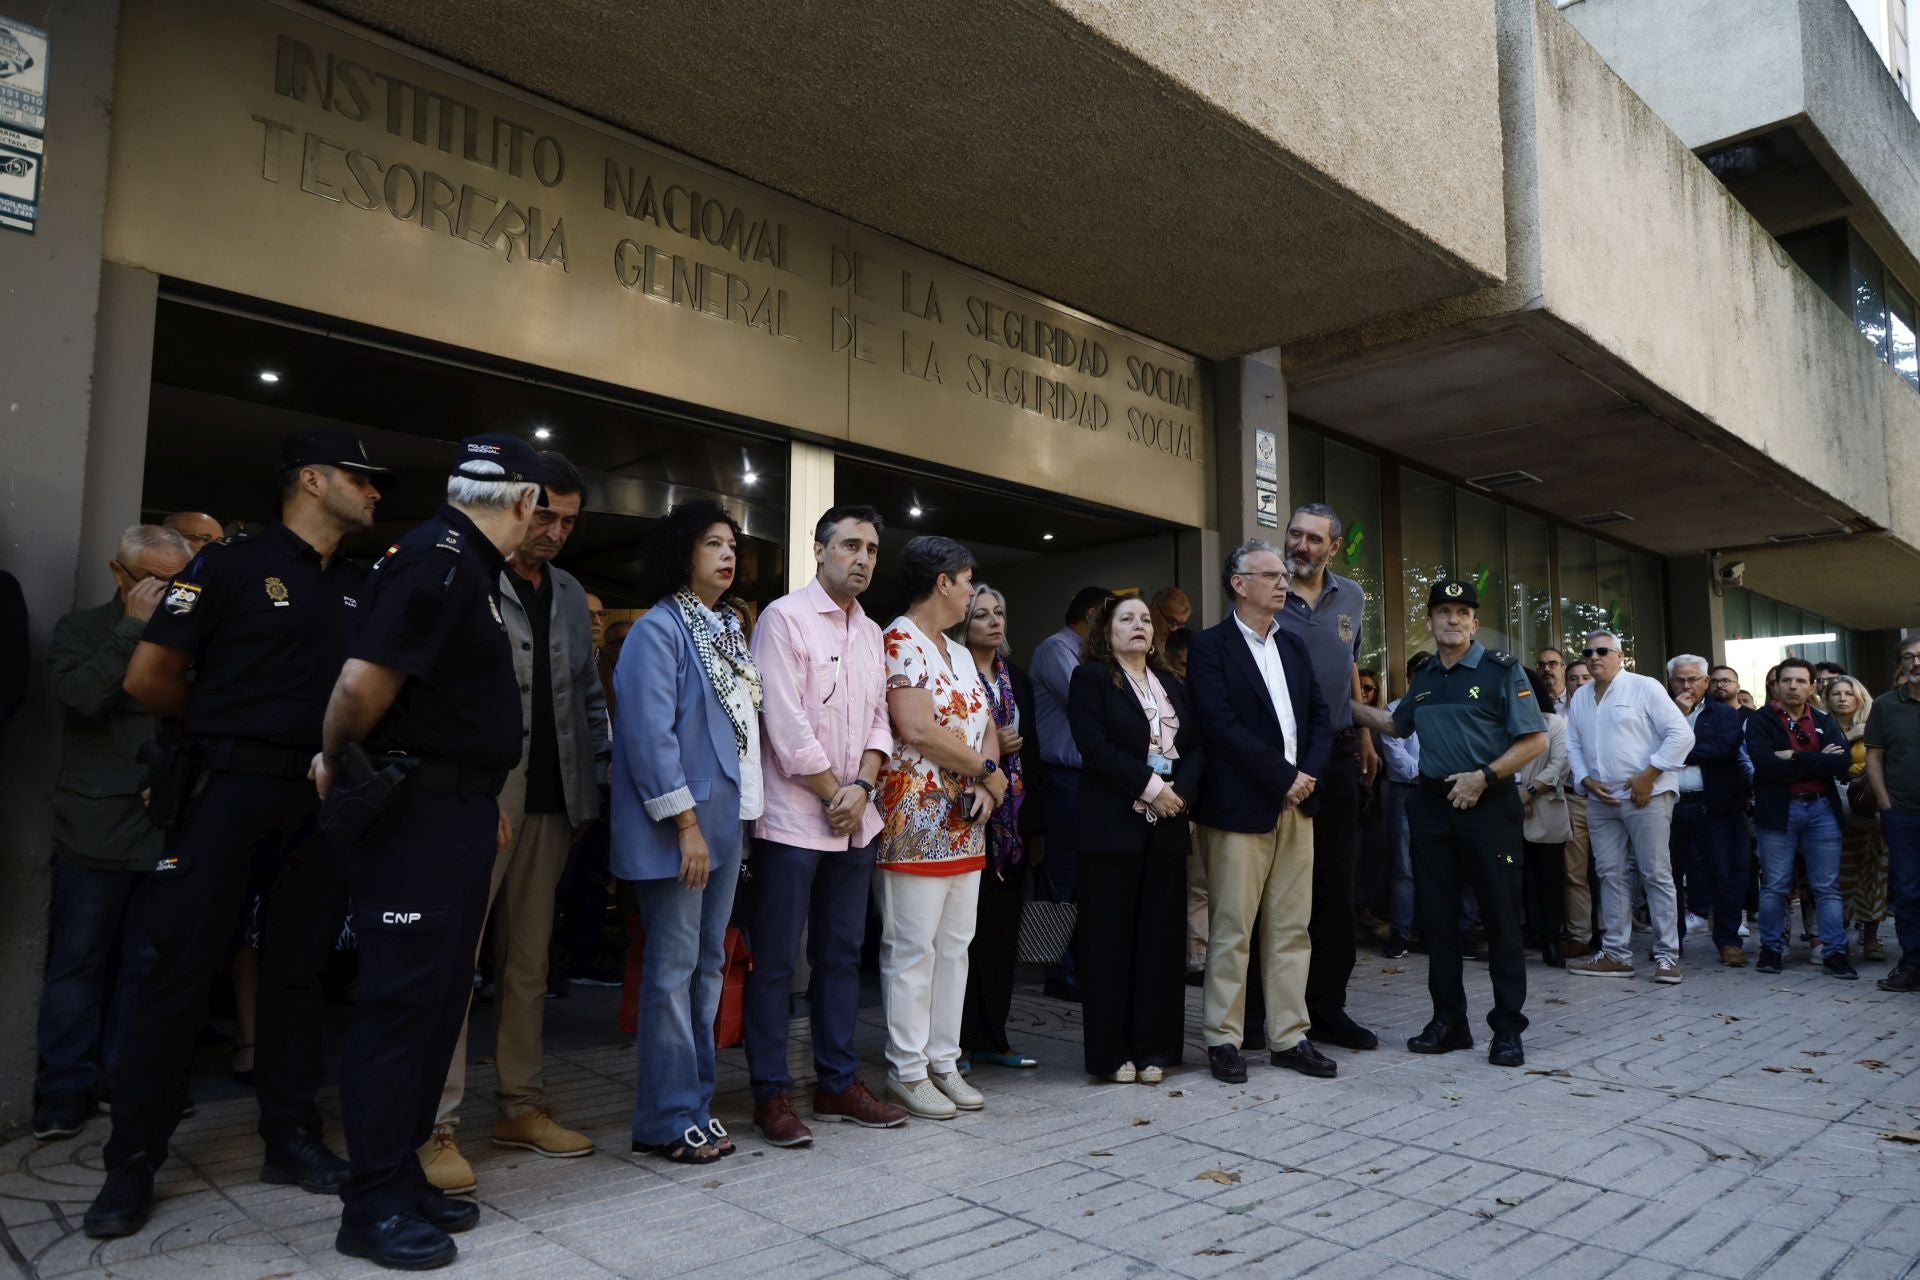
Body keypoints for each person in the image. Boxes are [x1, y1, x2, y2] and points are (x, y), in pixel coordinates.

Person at [84, 433, 390, 1242]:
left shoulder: (364, 587)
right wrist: (227, 731)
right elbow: (148, 680)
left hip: (318, 796)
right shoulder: (226, 565)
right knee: (175, 972)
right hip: (224, 791)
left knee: (298, 974)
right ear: (314, 481)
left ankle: (290, 1141)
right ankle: (131, 1163)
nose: (376, 493)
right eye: (362, 479)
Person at [313, 435, 541, 1267]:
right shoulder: (440, 561)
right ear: (520, 503)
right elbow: (358, 689)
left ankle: (401, 1177)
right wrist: (337, 761)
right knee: (402, 1008)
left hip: (457, 811)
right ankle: (369, 1206)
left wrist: (478, 802)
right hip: (415, 816)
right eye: (540, 510)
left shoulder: (467, 566)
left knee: (440, 1003)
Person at [418, 452, 608, 1194]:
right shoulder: (464, 570)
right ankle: (435, 1123)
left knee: (528, 967)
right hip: (478, 801)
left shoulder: (566, 591)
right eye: (547, 514)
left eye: (569, 522)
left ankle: (520, 1106)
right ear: (520, 502)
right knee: (453, 967)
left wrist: (592, 787)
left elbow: (589, 698)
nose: (555, 531)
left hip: (555, 804)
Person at [744, 505, 908, 1148]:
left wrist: (862, 787)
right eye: (849, 546)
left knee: (841, 956)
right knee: (778, 962)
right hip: (792, 818)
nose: (862, 558)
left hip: (853, 820)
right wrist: (833, 790)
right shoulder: (783, 620)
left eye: (871, 548)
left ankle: (838, 1083)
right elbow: (783, 725)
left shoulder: (871, 632)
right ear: (819, 551)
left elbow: (878, 720)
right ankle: (771, 1094)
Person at [612, 500, 762, 1165]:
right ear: (681, 552)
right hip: (684, 828)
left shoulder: (725, 629)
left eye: (732, 544)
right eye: (711, 543)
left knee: (707, 967)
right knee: (673, 972)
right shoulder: (658, 629)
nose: (727, 555)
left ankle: (694, 1106)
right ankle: (666, 1118)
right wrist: (687, 826)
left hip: (727, 825)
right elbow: (649, 736)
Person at [32, 525, 191, 1141]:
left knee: (147, 965)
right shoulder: (83, 629)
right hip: (94, 828)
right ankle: (64, 1090)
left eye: (179, 582)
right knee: (78, 961)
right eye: (154, 580)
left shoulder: (194, 634)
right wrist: (131, 628)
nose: (167, 593)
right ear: (119, 573)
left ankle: (128, 1083)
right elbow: (78, 696)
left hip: (164, 827)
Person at [1351, 579, 1545, 1067]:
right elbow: (1397, 725)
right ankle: (1449, 1023)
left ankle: (1507, 1029)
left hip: (1488, 803)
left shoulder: (1503, 671)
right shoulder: (1429, 678)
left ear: (1474, 623)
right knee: (1436, 922)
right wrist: (1340, 702)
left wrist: (1483, 776)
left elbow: (1534, 741)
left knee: (1500, 918)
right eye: (1443, 611)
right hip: (1434, 806)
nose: (1452, 619)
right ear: (1431, 621)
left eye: (1462, 611)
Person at [1187, 539, 1333, 1084]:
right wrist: (1283, 776)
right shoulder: (1209, 647)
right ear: (1238, 584)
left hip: (1299, 804)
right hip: (1241, 806)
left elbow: (1319, 716)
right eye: (1270, 574)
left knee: (1293, 928)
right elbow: (1221, 727)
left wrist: (1307, 777)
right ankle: (1223, 1038)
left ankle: (1290, 1037)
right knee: (1232, 928)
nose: (1283, 583)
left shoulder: (1293, 647)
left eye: (1283, 575)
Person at [875, 536, 1001, 1119]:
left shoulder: (954, 650)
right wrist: (986, 770)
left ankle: (944, 1060)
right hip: (915, 816)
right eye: (968, 580)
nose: (973, 591)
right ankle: (907, 1068)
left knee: (955, 947)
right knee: (912, 949)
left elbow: (986, 722)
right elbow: (916, 728)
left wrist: (991, 780)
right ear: (943, 582)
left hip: (966, 819)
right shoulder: (899, 638)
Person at [1069, 594, 1205, 1084]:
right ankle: (1112, 1053)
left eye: (1146, 619)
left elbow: (1196, 747)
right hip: (1111, 828)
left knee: (1161, 942)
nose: (1139, 626)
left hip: (1167, 827)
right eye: (1127, 619)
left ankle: (1156, 1050)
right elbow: (1094, 746)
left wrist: (1179, 796)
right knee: (1110, 943)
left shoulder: (1171, 681)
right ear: (1106, 631)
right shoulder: (1090, 680)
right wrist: (1151, 789)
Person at [1275, 504, 1378, 1052]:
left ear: (1333, 547)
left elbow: (1350, 671)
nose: (1301, 546)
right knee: (1283, 892)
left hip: (1338, 756)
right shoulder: (1265, 591)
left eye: (1314, 539)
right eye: (1295, 535)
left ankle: (1328, 1009)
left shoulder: (1353, 598)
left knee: (1339, 888)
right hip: (1280, 759)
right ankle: (1271, 1013)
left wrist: (1364, 735)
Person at [1565, 631, 1694, 983]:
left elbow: (1681, 735)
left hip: (1646, 796)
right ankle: (1616, 954)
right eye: (1587, 651)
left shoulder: (1644, 686)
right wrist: (1585, 780)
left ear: (1620, 656)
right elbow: (1572, 743)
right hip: (1600, 798)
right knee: (1610, 874)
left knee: (1656, 874)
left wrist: (1648, 776)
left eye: (1602, 651)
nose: (1593, 657)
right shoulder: (1580, 698)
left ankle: (1668, 956)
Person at [953, 583, 1045, 1072]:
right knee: (962, 936)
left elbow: (1037, 757)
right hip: (965, 816)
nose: (994, 621)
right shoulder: (954, 673)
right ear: (963, 623)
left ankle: (995, 1036)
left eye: (999, 613)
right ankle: (959, 1041)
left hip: (1012, 826)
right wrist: (994, 751)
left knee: (1002, 935)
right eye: (981, 614)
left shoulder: (1020, 680)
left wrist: (1036, 830)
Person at [1747, 657, 1854, 979]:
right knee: (1775, 886)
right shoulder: (1761, 721)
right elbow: (1766, 766)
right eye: (1787, 680)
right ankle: (1771, 951)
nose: (1793, 686)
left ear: (1811, 687)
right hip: (1780, 810)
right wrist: (1818, 759)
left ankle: (1835, 953)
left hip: (1822, 809)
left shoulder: (1823, 719)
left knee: (1828, 888)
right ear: (1776, 685)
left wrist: (1794, 756)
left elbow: (1842, 763)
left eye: (1800, 681)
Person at [1027, 583, 1108, 1001]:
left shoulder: (1092, 654)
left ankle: (1079, 963)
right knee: (1060, 875)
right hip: (1063, 777)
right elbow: (1087, 701)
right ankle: (1055, 970)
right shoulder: (1056, 649)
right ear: (1093, 614)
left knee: (1086, 875)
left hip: (1091, 780)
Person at [1666, 655, 1751, 967]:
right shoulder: (1661, 711)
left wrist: (1675, 750)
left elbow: (1722, 750)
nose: (1686, 685)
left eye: (1693, 679)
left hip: (1713, 804)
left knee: (1724, 873)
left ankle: (1728, 941)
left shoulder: (1725, 713)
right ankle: (1671, 941)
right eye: (1680, 679)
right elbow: (1648, 747)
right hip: (1670, 805)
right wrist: (1680, 721)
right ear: (1670, 681)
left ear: (1706, 681)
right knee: (1667, 877)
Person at [1867, 637, 1920, 993]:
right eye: (1908, 657)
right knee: (1908, 891)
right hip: (1903, 814)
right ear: (1900, 665)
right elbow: (1874, 758)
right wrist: (1886, 805)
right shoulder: (1886, 705)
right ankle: (1913, 965)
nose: (1916, 662)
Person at [1827, 675, 1888, 961]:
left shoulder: (1875, 725)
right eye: (1836, 693)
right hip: (1833, 804)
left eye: (1848, 693)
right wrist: (1847, 737)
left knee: (1875, 871)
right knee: (1840, 874)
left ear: (1860, 697)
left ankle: (1871, 936)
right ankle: (1838, 935)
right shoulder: (1820, 727)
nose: (1842, 698)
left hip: (1870, 802)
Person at [1378, 651, 1433, 959]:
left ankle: (1432, 931)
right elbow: (1397, 758)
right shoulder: (1395, 711)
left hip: (1439, 794)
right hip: (1405, 792)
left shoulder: (1444, 709)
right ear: (1410, 677)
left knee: (1436, 865)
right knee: (1403, 866)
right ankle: (1401, 932)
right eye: (1420, 673)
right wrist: (1429, 768)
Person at [1515, 667, 1569, 968]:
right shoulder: (1499, 722)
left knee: (1548, 879)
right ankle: (1515, 940)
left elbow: (1560, 764)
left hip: (1544, 809)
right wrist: (1513, 795)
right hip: (1506, 809)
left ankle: (1551, 943)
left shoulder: (1554, 723)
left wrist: (1528, 792)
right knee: (1510, 879)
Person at [1549, 654, 1597, 957]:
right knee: (1574, 873)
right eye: (1573, 678)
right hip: (1572, 799)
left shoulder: (1612, 710)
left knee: (1611, 871)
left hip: (1611, 800)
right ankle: (1580, 935)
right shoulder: (1558, 716)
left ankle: (1611, 933)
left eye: (1585, 678)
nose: (1579, 683)